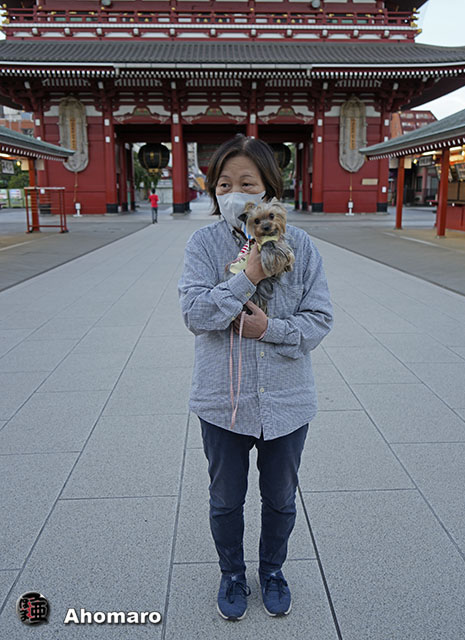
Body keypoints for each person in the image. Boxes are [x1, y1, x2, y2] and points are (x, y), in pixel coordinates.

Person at [177, 134, 333, 621]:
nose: (234, 193)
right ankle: (231, 573)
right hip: (223, 399)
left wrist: (270, 329)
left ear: (269, 188)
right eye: (224, 184)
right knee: (226, 499)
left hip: (286, 399)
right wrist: (247, 276)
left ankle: (272, 571)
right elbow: (195, 315)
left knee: (281, 498)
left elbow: (320, 320)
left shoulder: (301, 245)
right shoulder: (203, 244)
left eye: (246, 183)